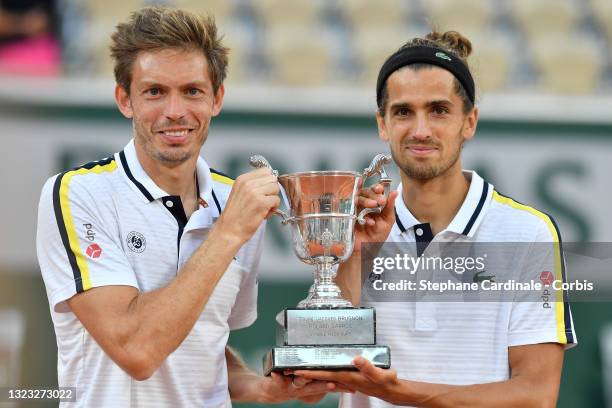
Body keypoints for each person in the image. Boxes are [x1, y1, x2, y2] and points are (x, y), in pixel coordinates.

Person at [36, 6, 341, 407]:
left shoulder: (235, 203)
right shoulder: (77, 193)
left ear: (217, 99)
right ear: (124, 100)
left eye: (192, 91)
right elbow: (138, 351)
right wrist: (228, 231)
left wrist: (262, 387)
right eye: (155, 91)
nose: (175, 111)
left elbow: (204, 343)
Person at [293, 30, 577, 407]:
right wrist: (355, 257)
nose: (420, 130)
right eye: (403, 112)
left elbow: (536, 395)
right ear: (382, 124)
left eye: (439, 110)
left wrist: (400, 393)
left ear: (469, 122)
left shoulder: (528, 232)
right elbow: (318, 375)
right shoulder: (357, 230)